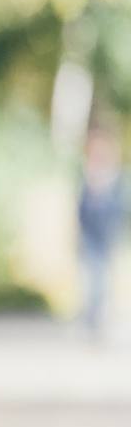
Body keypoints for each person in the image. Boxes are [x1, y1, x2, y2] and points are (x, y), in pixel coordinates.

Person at [80, 130, 123, 335]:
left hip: (106, 235)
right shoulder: (87, 176)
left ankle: (98, 318)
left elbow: (119, 207)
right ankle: (93, 318)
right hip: (90, 235)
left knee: (103, 278)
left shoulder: (115, 178)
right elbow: (80, 207)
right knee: (94, 277)